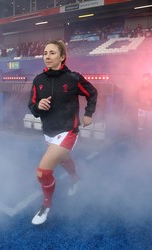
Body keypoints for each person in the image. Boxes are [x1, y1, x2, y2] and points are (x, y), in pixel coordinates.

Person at [28, 40, 98, 225]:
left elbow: (92, 93)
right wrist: (38, 106)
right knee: (64, 159)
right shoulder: (38, 80)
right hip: (48, 132)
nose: (47, 57)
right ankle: (76, 179)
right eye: (45, 53)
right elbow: (32, 107)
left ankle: (46, 206)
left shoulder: (73, 78)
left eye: (52, 53)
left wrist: (88, 114)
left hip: (68, 132)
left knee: (42, 173)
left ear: (62, 56)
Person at [136, 73, 152, 147]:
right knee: (140, 126)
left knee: (151, 126)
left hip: (151, 110)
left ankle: (151, 141)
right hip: (141, 109)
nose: (145, 81)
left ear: (150, 80)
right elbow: (135, 96)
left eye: (147, 80)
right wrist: (136, 101)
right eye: (143, 80)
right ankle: (140, 143)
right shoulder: (139, 87)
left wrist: (151, 101)